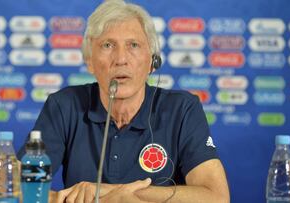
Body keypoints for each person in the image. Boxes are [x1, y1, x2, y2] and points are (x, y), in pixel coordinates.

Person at [18, 0, 230, 202]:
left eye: (134, 45)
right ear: (90, 61)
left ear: (153, 62)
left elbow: (216, 197)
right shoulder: (64, 106)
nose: (121, 59)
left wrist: (113, 194)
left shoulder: (182, 109)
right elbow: (14, 185)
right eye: (108, 45)